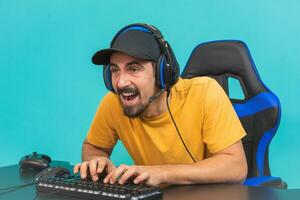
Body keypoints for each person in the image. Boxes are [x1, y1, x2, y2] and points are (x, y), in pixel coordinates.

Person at [73, 23, 247, 187]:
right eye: (114, 70)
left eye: (134, 69)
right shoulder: (113, 103)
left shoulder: (205, 92)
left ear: (162, 71)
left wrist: (160, 173)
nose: (120, 82)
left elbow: (236, 167)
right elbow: (93, 146)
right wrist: (97, 160)